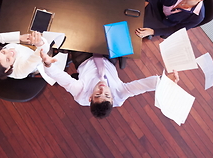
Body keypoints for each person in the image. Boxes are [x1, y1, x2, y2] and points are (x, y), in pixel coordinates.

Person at [40, 50, 178, 119]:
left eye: (98, 94)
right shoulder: (119, 95)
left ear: (90, 98)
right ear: (112, 99)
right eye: (107, 94)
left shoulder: (80, 93)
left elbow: (61, 78)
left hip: (84, 59)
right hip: (108, 60)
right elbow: (141, 86)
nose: (102, 88)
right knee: (109, 24)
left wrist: (47, 64)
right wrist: (164, 80)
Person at [0, 30, 66, 84]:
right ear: (8, 68)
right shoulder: (21, 70)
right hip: (36, 61)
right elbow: (41, 53)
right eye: (8, 59)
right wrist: (40, 43)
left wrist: (19, 38)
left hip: (26, 48)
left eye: (3, 52)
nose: (10, 52)